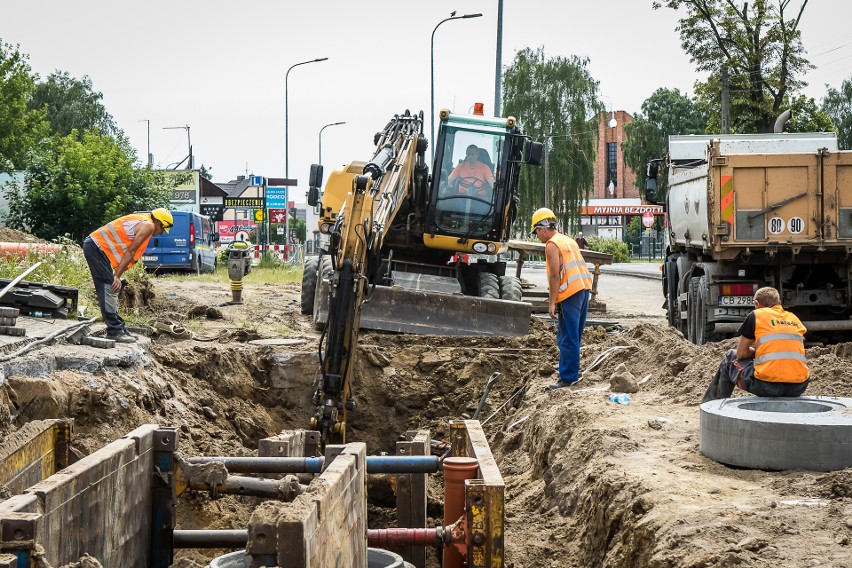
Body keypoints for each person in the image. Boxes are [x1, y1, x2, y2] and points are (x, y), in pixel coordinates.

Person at [702, 286, 809, 402]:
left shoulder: (757, 315)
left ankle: (713, 405)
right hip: (798, 387)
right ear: (778, 303)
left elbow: (741, 354)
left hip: (768, 387)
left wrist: (759, 353)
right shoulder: (794, 319)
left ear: (757, 303)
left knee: (730, 357)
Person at [83, 209, 173, 343]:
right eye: (162, 229)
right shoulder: (148, 226)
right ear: (158, 223)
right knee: (110, 288)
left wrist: (117, 275)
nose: (159, 233)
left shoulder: (144, 219)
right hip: (96, 248)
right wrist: (117, 276)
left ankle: (119, 327)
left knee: (112, 287)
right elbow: (130, 252)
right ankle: (115, 330)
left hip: (97, 248)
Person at [532, 208, 593, 389]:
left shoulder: (552, 245)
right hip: (583, 290)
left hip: (570, 294)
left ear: (542, 228)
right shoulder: (567, 240)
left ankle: (567, 378)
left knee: (567, 336)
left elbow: (555, 277)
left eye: (536, 232)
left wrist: (552, 303)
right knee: (574, 335)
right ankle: (571, 373)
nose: (536, 236)